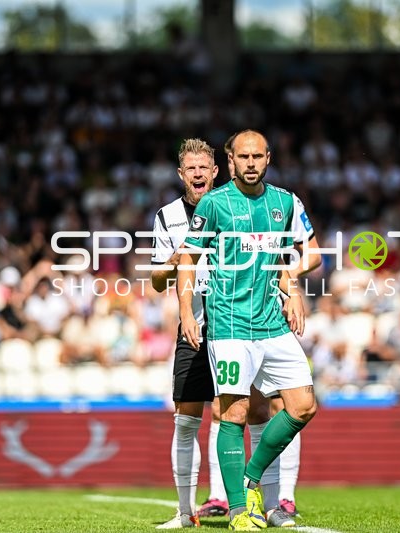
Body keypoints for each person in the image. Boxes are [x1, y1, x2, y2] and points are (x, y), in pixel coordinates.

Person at [178, 129, 317, 531]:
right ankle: (240, 510)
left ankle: (249, 479)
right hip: (230, 325)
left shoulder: (286, 202)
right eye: (244, 157)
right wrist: (188, 311)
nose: (251, 163)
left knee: (303, 405)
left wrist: (290, 278)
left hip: (272, 323)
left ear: (268, 158)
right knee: (233, 412)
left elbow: (312, 253)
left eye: (258, 156)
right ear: (231, 160)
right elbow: (187, 258)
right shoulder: (215, 204)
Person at [151, 138, 219, 529]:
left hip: (235, 324)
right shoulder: (167, 217)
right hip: (191, 324)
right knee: (187, 419)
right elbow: (158, 280)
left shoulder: (232, 209)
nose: (197, 173)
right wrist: (177, 259)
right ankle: (184, 512)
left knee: (236, 414)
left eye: (203, 167)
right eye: (189, 168)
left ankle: (242, 502)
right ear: (182, 174)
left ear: (214, 172)